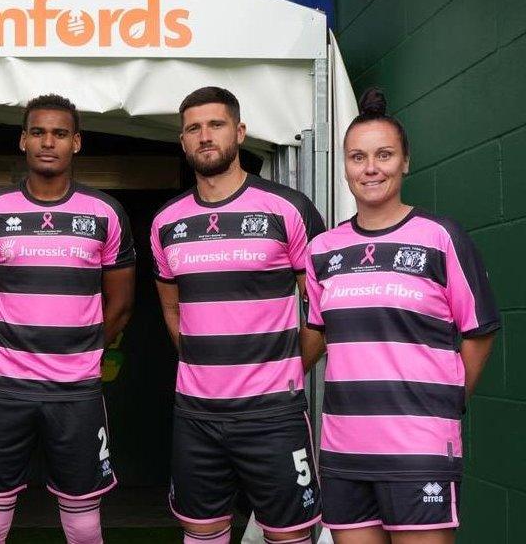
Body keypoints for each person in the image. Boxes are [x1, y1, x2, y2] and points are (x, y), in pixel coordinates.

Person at [303, 88, 499, 544]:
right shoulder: (323, 251)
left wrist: (445, 401)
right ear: (346, 167)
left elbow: (479, 332)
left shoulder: (441, 238)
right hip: (344, 449)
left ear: (405, 162)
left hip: (419, 447)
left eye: (384, 155)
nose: (370, 168)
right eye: (358, 157)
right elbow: (319, 332)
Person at [150, 87, 326, 544]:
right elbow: (172, 306)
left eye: (216, 124)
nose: (205, 136)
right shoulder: (166, 222)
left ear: (240, 132)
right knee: (201, 532)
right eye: (193, 128)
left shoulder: (289, 208)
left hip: (274, 415)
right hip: (196, 413)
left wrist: (287, 367)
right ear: (183, 141)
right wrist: (203, 366)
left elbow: (325, 310)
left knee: (288, 536)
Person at [0, 94, 135, 544]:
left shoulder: (106, 212)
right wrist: (6, 346)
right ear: (23, 140)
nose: (48, 142)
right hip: (4, 386)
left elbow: (120, 305)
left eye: (59, 133)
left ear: (76, 143)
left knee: (82, 511)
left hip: (76, 389)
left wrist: (83, 353)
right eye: (38, 132)